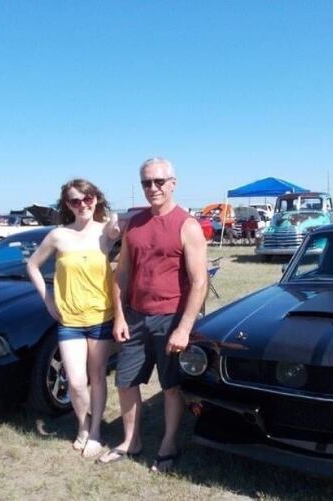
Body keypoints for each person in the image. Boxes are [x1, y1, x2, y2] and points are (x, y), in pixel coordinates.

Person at [98, 157, 207, 472]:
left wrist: (184, 328)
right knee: (125, 381)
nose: (153, 188)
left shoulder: (187, 225)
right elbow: (122, 274)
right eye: (147, 182)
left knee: (171, 385)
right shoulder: (135, 224)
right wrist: (119, 317)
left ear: (173, 183)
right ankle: (131, 441)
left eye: (159, 181)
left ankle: (168, 444)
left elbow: (200, 281)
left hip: (171, 318)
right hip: (135, 316)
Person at [26, 179, 120, 458]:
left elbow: (125, 224)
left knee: (97, 376)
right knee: (76, 382)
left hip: (101, 316)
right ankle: (83, 424)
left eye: (88, 198)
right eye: (75, 201)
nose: (83, 205)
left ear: (96, 199)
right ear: (67, 205)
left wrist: (115, 222)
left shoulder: (106, 232)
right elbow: (32, 265)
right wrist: (47, 298)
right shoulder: (58, 235)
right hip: (69, 320)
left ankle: (95, 433)